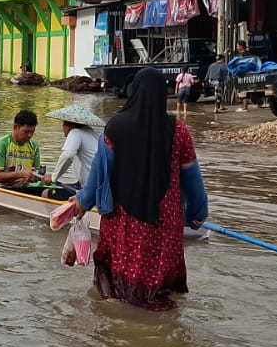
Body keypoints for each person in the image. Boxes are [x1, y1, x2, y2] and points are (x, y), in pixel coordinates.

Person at [61, 67, 192, 309]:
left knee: (117, 292)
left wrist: (82, 201)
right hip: (166, 221)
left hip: (123, 221)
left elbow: (100, 175)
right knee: (162, 286)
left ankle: (122, 313)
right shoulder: (179, 131)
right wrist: (197, 214)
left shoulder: (115, 127)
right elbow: (192, 178)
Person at [46, 105, 101, 190]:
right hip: (98, 184)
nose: (63, 128)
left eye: (63, 124)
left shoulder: (75, 132)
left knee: (46, 193)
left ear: (69, 125)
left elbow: (68, 155)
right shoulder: (92, 133)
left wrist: (53, 177)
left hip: (89, 188)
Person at [0, 109, 43, 192]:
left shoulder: (34, 146)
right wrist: (21, 174)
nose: (29, 135)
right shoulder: (2, 144)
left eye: (32, 132)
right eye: (26, 131)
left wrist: (36, 177)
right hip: (0, 188)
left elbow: (35, 172)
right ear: (15, 127)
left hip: (23, 188)